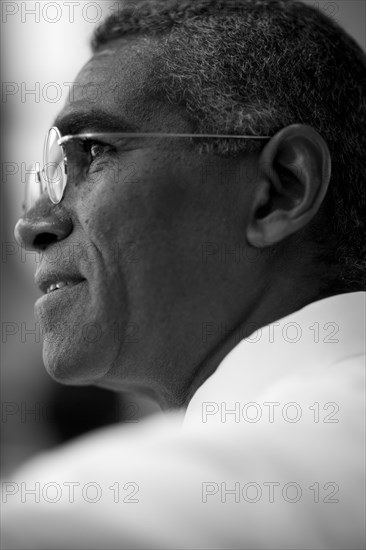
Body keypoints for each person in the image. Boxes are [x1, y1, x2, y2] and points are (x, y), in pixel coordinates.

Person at [2, 0, 365, 548]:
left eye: (93, 151)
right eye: (46, 176)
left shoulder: (97, 516)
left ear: (279, 191)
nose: (32, 225)